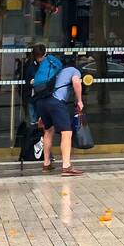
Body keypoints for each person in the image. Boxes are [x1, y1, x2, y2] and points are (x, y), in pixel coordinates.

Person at [31, 46, 84, 175]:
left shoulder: (54, 71)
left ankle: (46, 164)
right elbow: (76, 83)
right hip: (56, 102)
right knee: (66, 133)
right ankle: (66, 167)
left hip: (42, 101)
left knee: (48, 131)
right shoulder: (73, 70)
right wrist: (79, 100)